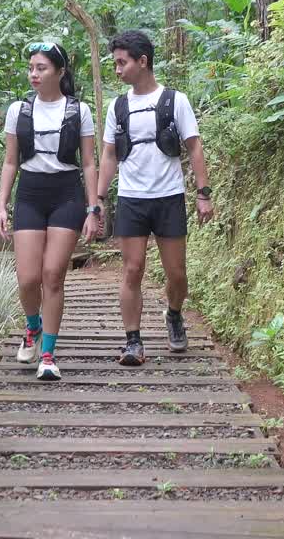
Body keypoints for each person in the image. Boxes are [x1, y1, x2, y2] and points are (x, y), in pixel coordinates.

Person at [95, 30, 214, 366]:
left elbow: (194, 146)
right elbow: (107, 155)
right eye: (115, 63)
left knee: (177, 274)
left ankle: (174, 313)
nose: (117, 70)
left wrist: (203, 194)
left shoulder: (175, 100)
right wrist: (99, 198)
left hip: (169, 197)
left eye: (122, 62)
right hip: (132, 198)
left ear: (142, 61)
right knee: (132, 269)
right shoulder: (118, 107)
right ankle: (133, 341)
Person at [0, 41, 101, 380]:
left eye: (41, 68)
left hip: (66, 194)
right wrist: (2, 205)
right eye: (31, 68)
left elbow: (88, 163)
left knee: (53, 275)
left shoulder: (78, 110)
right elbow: (11, 161)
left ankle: (48, 354)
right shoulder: (18, 110)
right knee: (28, 278)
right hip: (29, 193)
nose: (34, 74)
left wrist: (93, 208)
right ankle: (32, 326)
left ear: (60, 71)